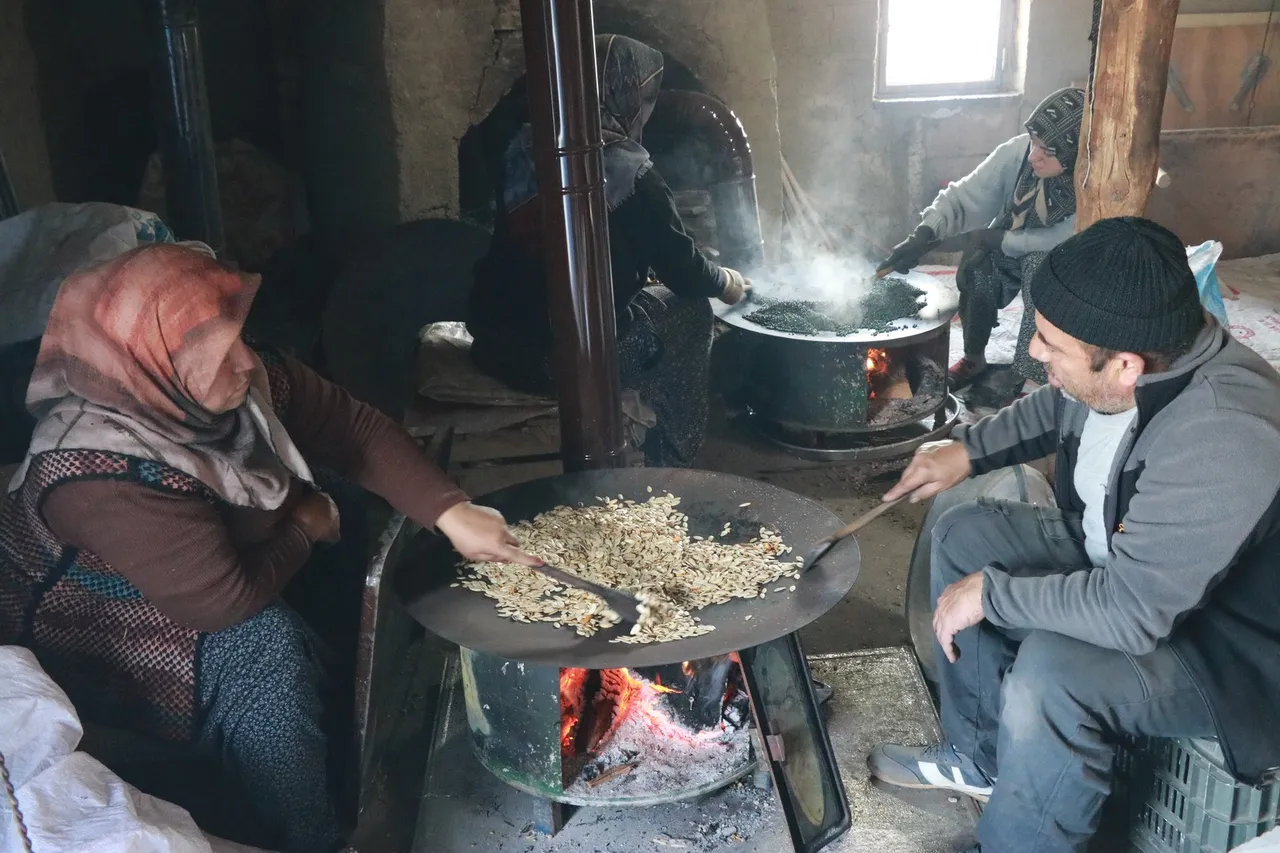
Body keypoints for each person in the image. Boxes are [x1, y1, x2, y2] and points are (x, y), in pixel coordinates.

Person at [0, 243, 537, 853]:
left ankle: (340, 696)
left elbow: (349, 426)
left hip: (197, 556)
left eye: (239, 337)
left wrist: (452, 510)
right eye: (215, 354)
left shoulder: (232, 379)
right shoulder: (97, 475)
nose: (245, 363)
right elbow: (220, 604)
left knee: (340, 492)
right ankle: (303, 826)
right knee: (265, 654)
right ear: (149, 367)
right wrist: (305, 526)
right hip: (99, 617)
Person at [867, 218, 1280, 853]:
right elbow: (1062, 399)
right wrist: (968, 452)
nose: (1034, 353)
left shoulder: (1225, 435)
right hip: (1125, 562)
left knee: (1052, 672)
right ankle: (981, 761)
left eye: (1051, 346)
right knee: (967, 532)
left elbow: (1133, 614)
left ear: (1124, 366)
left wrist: (994, 596)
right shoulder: (1135, 355)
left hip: (1224, 648)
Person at [468, 33, 750, 468]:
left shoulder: (523, 147)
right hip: (558, 362)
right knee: (692, 313)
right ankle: (672, 448)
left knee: (632, 301)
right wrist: (726, 281)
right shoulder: (632, 175)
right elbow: (685, 273)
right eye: (648, 96)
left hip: (492, 342)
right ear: (630, 98)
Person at [879, 87, 1086, 389]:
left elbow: (1064, 237)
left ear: (1072, 152)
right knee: (978, 270)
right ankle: (974, 359)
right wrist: (924, 233)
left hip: (1059, 258)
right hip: (1009, 239)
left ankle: (1034, 381)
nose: (1033, 156)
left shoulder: (1091, 183)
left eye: (1048, 150)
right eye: (1033, 142)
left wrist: (1001, 239)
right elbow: (966, 194)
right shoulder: (1017, 155)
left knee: (1041, 274)